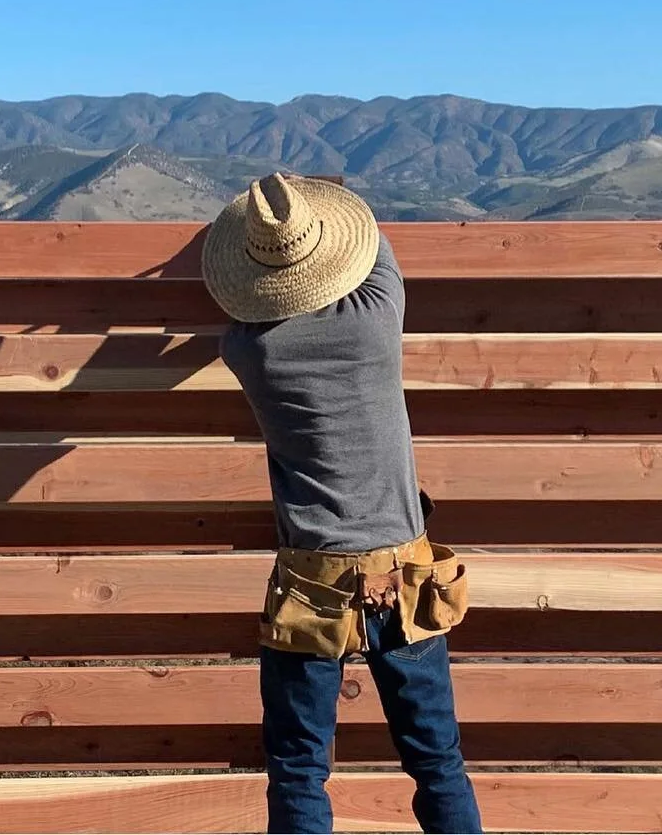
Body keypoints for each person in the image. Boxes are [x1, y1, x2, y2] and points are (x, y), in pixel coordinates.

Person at [202, 173, 483, 835]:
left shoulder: (247, 350)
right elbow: (372, 240)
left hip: (311, 579)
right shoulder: (378, 315)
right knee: (438, 763)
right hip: (407, 578)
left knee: (298, 769)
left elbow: (241, 302)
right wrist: (326, 202)